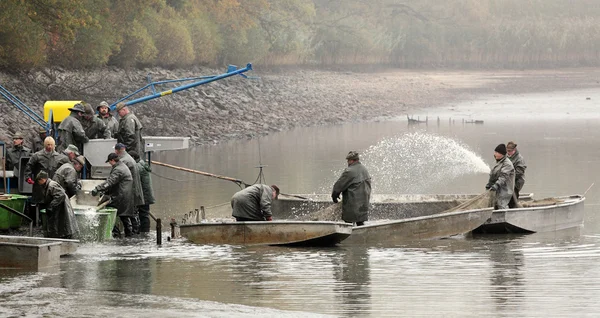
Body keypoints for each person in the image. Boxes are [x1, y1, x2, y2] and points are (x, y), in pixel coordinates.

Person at [91, 153, 135, 237]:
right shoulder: (122, 166)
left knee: (109, 213)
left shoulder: (118, 169)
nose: (109, 164)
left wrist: (98, 188)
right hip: (125, 195)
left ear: (112, 160)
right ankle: (129, 236)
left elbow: (110, 182)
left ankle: (116, 234)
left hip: (120, 196)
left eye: (109, 162)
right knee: (124, 217)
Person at [331, 151, 372, 226]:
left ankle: (349, 235)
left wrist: (334, 196)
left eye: (348, 160)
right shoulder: (364, 169)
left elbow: (339, 185)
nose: (347, 162)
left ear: (352, 160)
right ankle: (361, 233)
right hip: (364, 203)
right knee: (360, 221)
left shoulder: (350, 171)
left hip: (353, 202)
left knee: (348, 223)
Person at [24, 137, 70, 203]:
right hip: (39, 186)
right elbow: (29, 166)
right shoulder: (37, 156)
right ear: (45, 145)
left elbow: (68, 167)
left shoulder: (59, 157)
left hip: (52, 184)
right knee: (39, 203)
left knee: (53, 203)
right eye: (48, 145)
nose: (50, 146)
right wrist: (28, 177)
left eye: (51, 145)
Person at [36, 171, 79, 239]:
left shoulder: (52, 185)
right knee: (59, 225)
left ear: (42, 179)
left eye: (39, 181)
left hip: (61, 208)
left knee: (63, 225)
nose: (39, 183)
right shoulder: (48, 185)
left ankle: (63, 237)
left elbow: (60, 195)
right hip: (58, 207)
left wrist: (51, 206)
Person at [130, 151, 155, 234]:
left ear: (133, 158)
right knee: (144, 213)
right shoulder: (142, 163)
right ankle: (145, 231)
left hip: (143, 195)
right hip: (147, 194)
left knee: (143, 214)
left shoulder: (138, 167)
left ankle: (144, 231)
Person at [485, 144, 516, 210]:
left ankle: (504, 218)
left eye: (496, 152)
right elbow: (493, 174)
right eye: (495, 152)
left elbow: (503, 177)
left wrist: (496, 185)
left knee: (501, 204)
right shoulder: (498, 161)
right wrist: (489, 184)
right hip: (497, 189)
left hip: (504, 189)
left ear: (501, 154)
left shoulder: (507, 164)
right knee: (493, 204)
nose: (494, 154)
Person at [507, 141, 526, 208]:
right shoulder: (508, 157)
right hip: (509, 181)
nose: (508, 152)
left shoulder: (519, 159)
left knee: (513, 196)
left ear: (514, 150)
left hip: (517, 181)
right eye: (507, 151)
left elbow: (519, 172)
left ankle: (514, 209)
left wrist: (509, 176)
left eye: (510, 151)